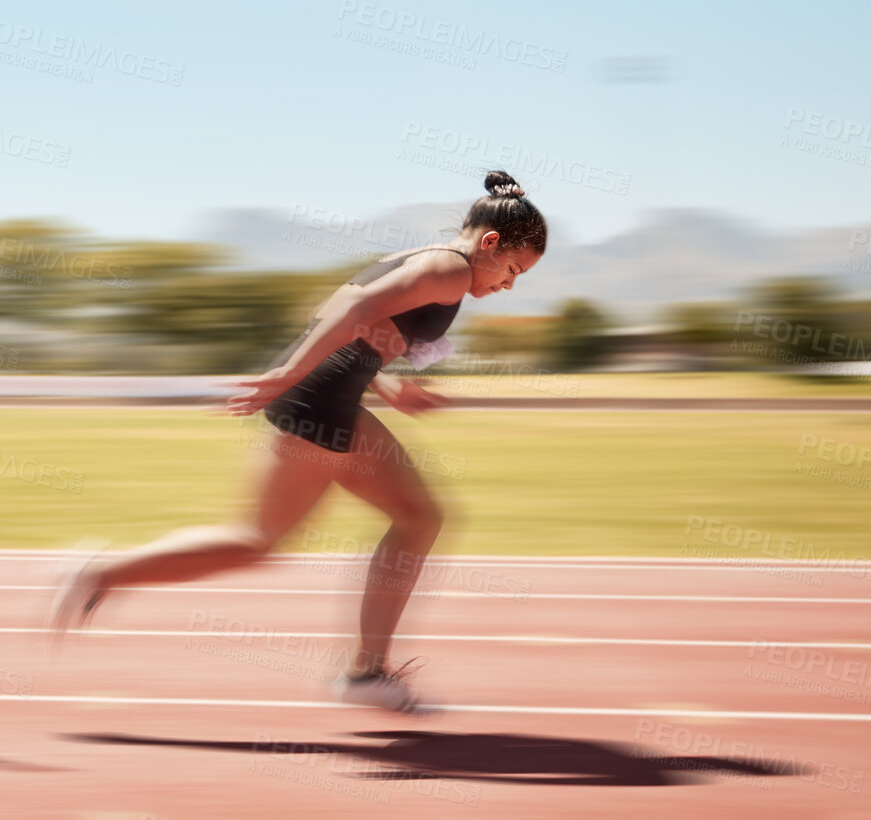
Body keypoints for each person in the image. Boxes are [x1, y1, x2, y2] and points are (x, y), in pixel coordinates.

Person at [50, 171, 549, 714]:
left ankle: (368, 674)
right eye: (512, 270)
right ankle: (100, 573)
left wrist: (385, 383)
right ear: (490, 243)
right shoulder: (450, 270)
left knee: (418, 516)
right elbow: (350, 311)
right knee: (257, 539)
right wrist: (287, 374)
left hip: (333, 394)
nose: (509, 285)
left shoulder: (426, 258)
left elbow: (358, 310)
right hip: (318, 401)